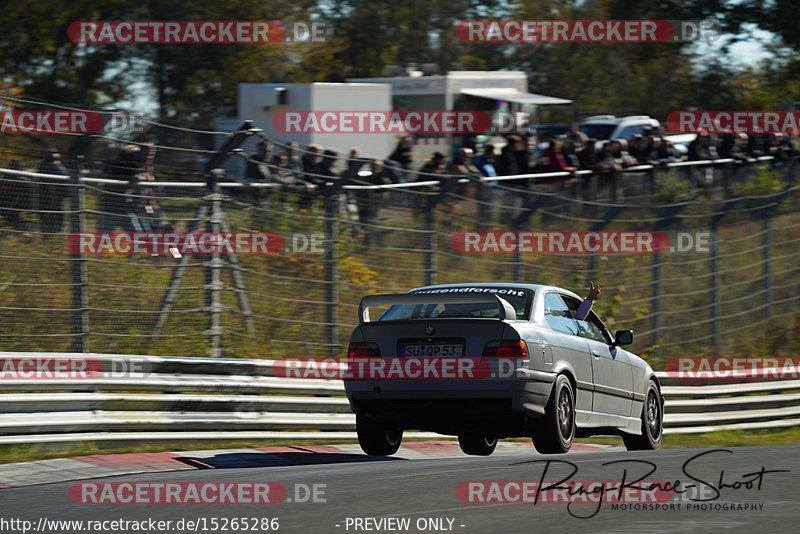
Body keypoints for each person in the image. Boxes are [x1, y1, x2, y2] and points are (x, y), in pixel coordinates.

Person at [38, 148, 67, 234]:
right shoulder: (59, 167)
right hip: (56, 201)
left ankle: (47, 239)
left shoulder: (42, 166)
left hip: (43, 200)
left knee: (45, 222)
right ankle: (56, 239)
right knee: (57, 223)